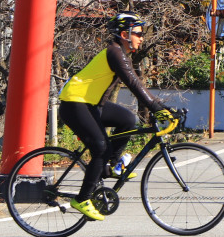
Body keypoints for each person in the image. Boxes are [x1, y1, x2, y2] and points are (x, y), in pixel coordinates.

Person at [57, 12, 169, 221]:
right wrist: (157, 107)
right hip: (75, 103)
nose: (142, 37)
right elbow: (134, 84)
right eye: (138, 33)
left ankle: (113, 165)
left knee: (128, 120)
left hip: (91, 104)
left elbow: (136, 84)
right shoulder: (114, 52)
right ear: (125, 34)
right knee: (100, 147)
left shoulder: (120, 53)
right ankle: (82, 198)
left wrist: (159, 106)